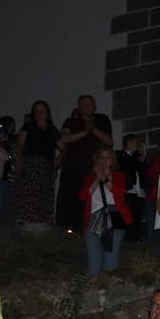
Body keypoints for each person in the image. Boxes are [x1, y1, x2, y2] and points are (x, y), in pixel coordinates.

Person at [56, 94, 113, 230]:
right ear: (79, 106)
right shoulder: (71, 121)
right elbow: (64, 138)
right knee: (68, 198)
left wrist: (93, 129)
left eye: (90, 104)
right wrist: (86, 132)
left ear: (95, 107)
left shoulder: (101, 120)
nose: (87, 107)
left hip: (91, 167)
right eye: (84, 104)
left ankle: (84, 228)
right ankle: (65, 228)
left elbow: (109, 141)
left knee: (87, 198)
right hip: (71, 166)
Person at [80, 147, 134, 276]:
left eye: (107, 157)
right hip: (93, 217)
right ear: (96, 160)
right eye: (101, 157)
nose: (104, 160)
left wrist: (105, 178)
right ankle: (92, 287)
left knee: (111, 256)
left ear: (112, 162)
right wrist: (97, 179)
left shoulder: (118, 176)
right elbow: (82, 196)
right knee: (94, 256)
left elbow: (120, 191)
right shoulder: (90, 178)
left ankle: (108, 287)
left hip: (113, 214)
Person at [14, 100, 60, 226]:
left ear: (47, 113)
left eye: (42, 111)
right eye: (37, 111)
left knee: (43, 196)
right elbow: (19, 145)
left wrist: (60, 158)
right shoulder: (28, 127)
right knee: (28, 195)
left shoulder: (53, 130)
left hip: (46, 167)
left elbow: (63, 146)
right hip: (30, 165)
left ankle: (42, 225)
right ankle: (26, 224)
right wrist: (18, 162)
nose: (40, 113)